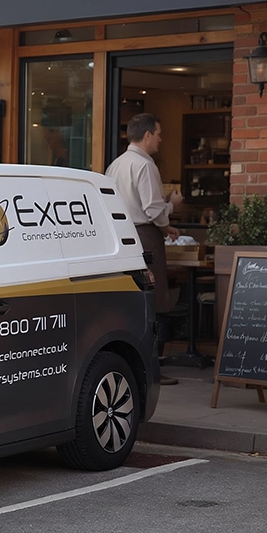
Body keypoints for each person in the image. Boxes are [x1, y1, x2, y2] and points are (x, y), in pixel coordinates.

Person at [106, 112, 183, 385]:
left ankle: (135, 363)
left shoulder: (115, 166)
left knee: (131, 302)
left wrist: (164, 226)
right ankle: (153, 368)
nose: (161, 140)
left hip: (119, 236)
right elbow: (152, 208)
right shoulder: (145, 165)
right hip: (145, 238)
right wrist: (172, 206)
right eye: (159, 134)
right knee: (155, 301)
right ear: (147, 135)